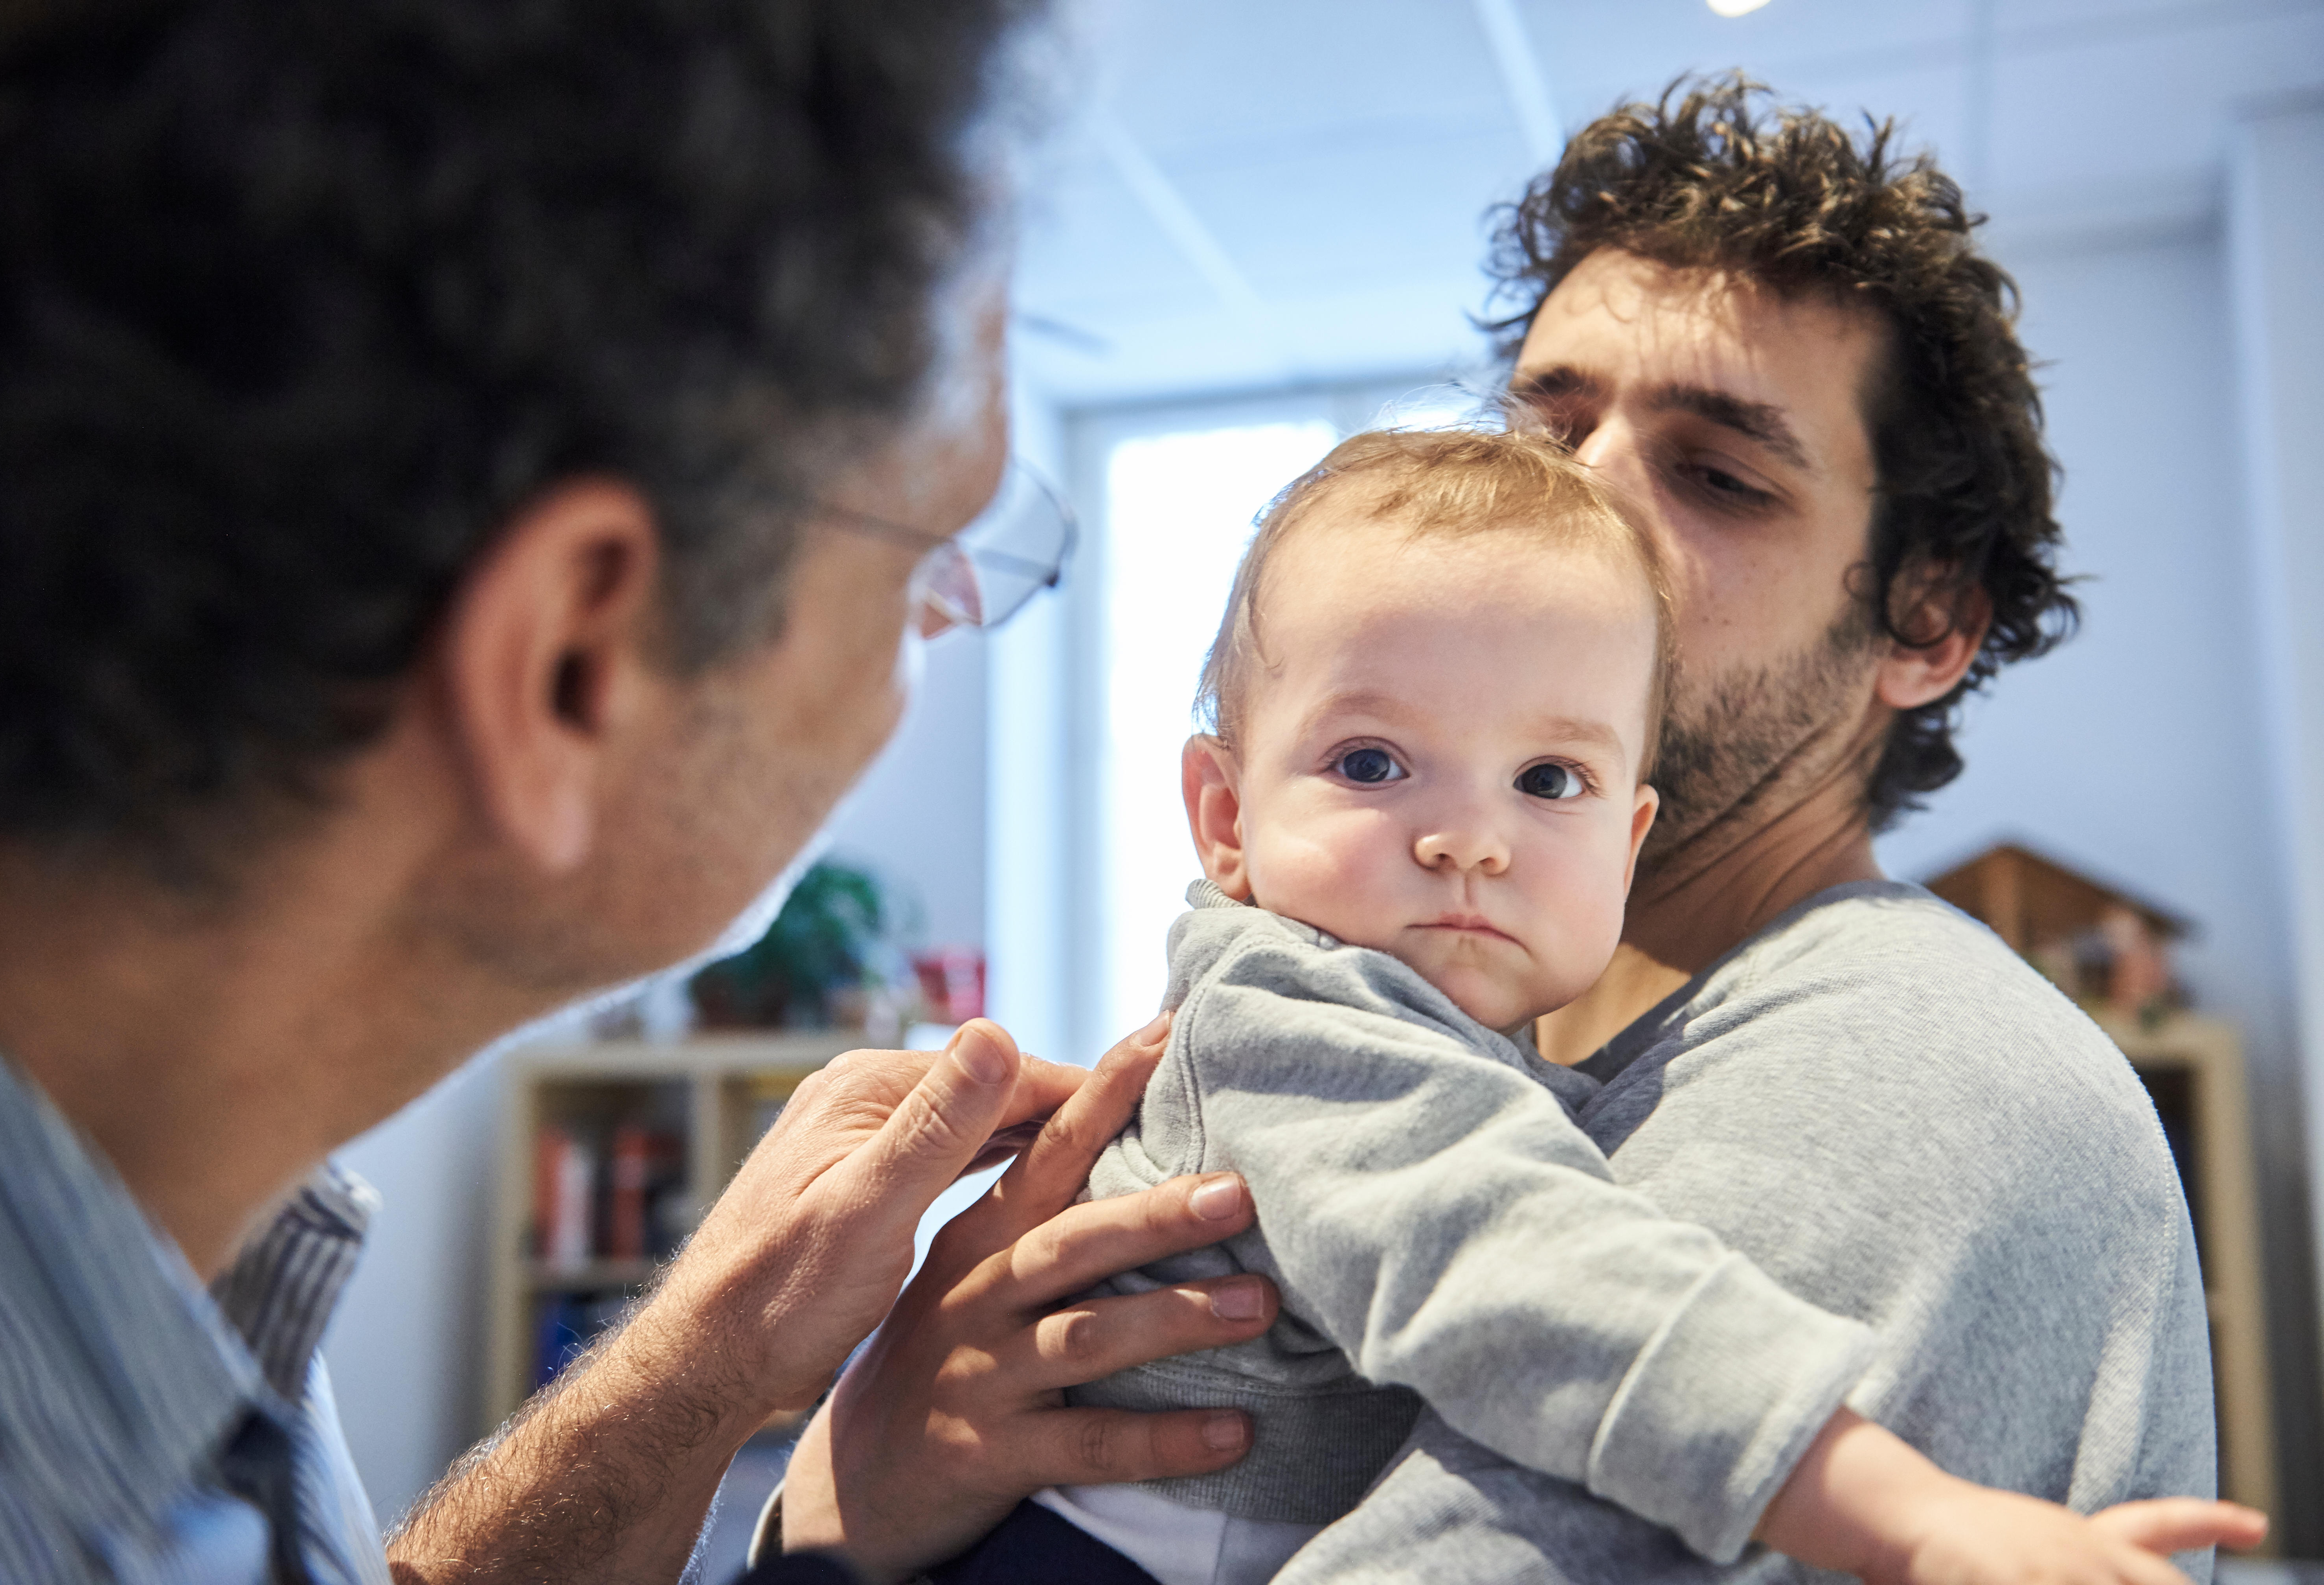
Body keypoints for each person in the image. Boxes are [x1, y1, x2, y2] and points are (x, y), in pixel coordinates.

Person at [778, 76, 2253, 1585]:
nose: (1584, 501)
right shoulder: (1425, 1000)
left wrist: (835, 1518)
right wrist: (867, 1482)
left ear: (1926, 618)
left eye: (1717, 473)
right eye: (1549, 427)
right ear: (1221, 811)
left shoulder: (1901, 1065)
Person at [0, 2, 1293, 1580]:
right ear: (574, 664)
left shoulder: (161, 1227)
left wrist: (706, 1370)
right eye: (923, 558)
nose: (938, 625)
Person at [969, 426, 2247, 1585]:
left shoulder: (1877, 1025)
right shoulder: (1288, 1012)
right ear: (1226, 817)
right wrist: (1902, 1510)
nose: (1468, 840)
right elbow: (1526, 1277)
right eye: (1371, 763)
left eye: (1548, 777)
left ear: (1628, 840)